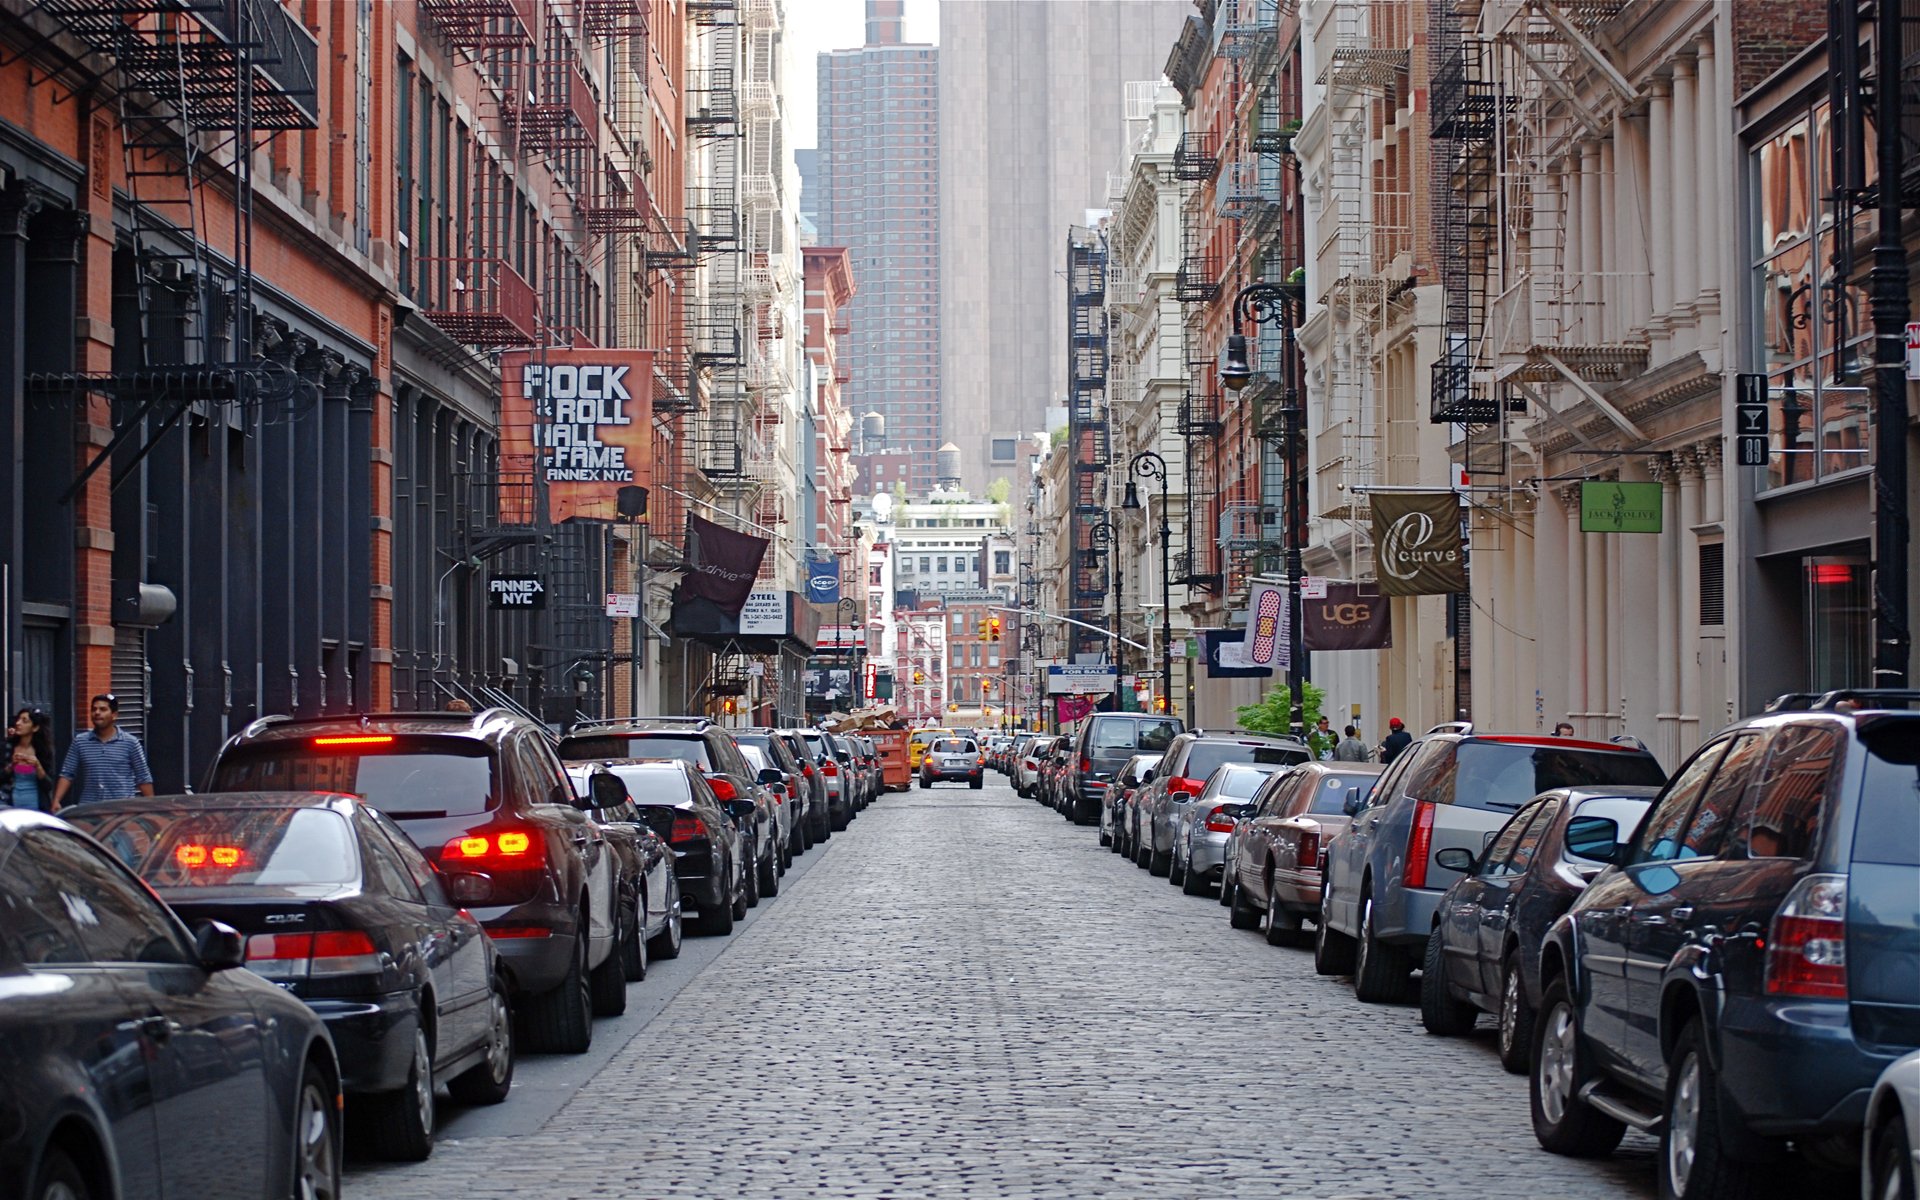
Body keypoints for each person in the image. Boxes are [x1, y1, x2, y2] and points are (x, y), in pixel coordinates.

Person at [51, 694, 153, 811]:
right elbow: (67, 773)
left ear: (114, 715)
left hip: (121, 809)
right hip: (89, 809)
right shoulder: (80, 741)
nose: (97, 712)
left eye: (103, 709)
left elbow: (143, 777)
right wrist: (57, 800)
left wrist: (151, 807)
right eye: (94, 709)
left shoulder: (130, 743)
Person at [8, 707, 54, 811]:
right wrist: (11, 765)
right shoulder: (9, 747)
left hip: (35, 806)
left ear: (35, 727)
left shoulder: (43, 751)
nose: (18, 723)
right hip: (10, 805)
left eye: (24, 721)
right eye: (18, 719)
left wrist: (38, 766)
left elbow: (48, 785)